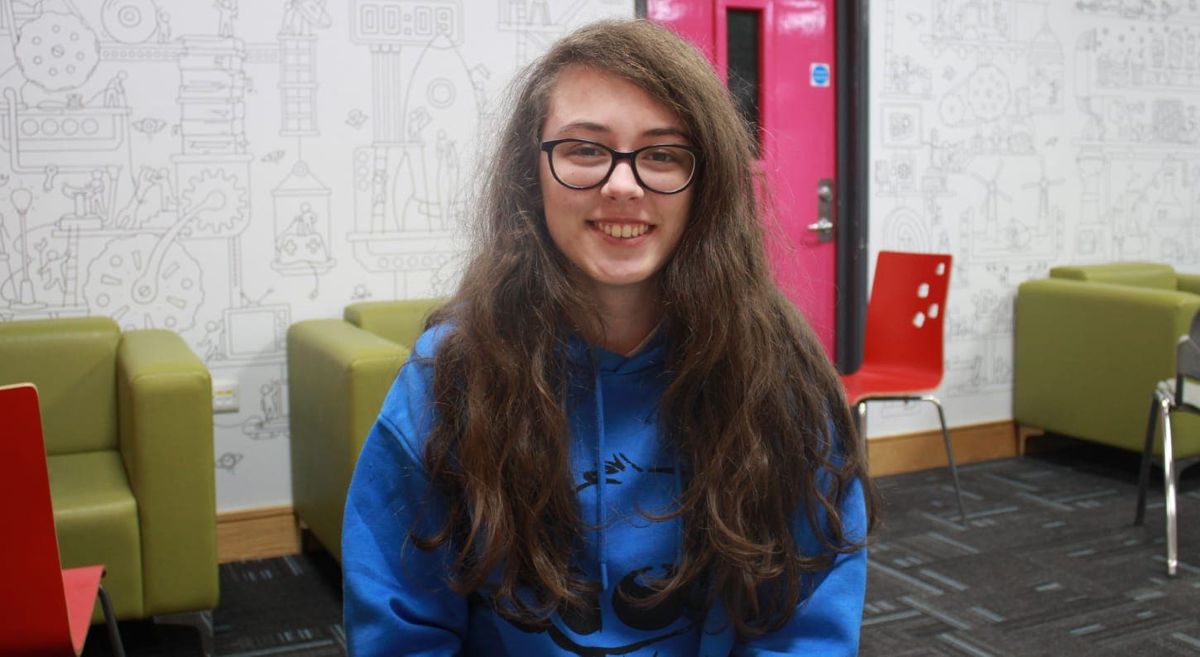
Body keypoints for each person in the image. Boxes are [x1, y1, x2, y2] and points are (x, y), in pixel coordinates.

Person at [342, 18, 876, 656]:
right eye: (585, 150)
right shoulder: (448, 379)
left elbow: (804, 627)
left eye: (662, 154)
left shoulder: (779, 378)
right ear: (531, 175)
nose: (623, 184)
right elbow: (403, 632)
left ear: (704, 185)